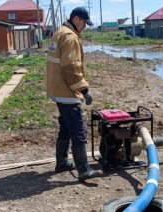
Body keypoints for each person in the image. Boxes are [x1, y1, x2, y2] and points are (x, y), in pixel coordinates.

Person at [46, 7, 102, 181]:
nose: (85, 26)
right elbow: (71, 68)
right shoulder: (70, 37)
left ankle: (62, 162)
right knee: (78, 129)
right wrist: (84, 90)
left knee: (66, 126)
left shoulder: (59, 33)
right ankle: (84, 170)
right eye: (84, 22)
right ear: (76, 19)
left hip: (57, 89)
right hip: (67, 92)